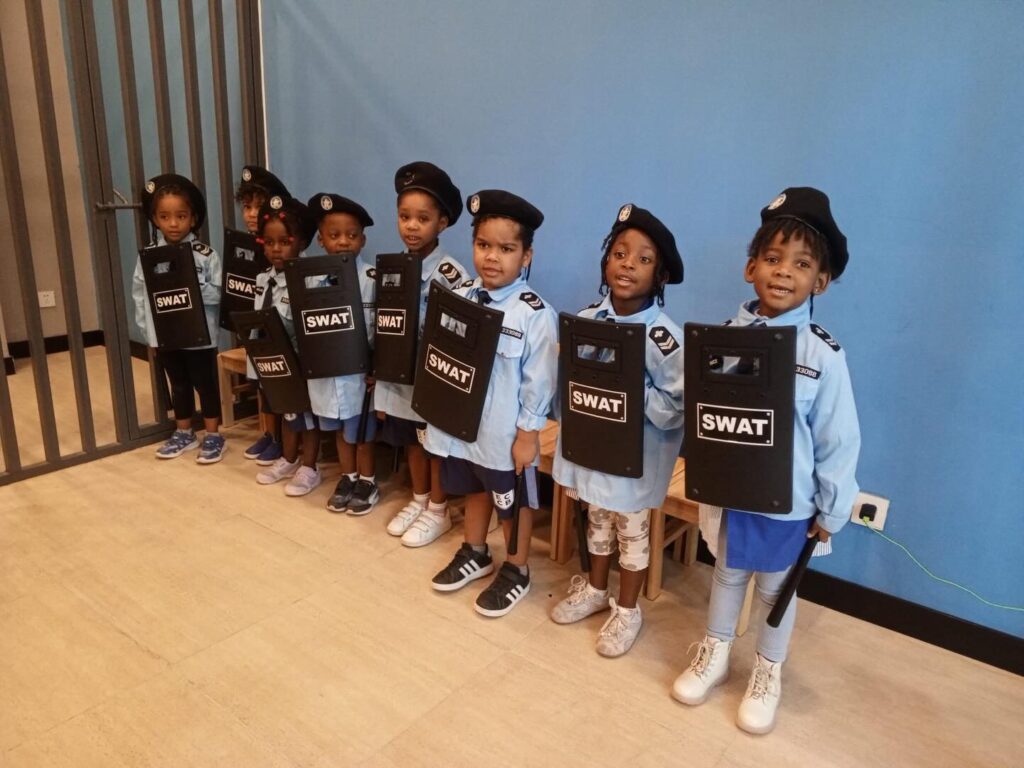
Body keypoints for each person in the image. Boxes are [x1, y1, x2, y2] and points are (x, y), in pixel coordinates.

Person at [671, 187, 860, 735]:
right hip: (733, 491)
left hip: (788, 501)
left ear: (820, 281)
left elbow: (838, 438)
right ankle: (715, 652)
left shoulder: (822, 355)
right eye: (773, 258)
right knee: (728, 574)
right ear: (751, 267)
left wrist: (833, 508)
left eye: (801, 264)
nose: (783, 272)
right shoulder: (721, 339)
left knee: (776, 589)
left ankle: (767, 671)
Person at [550, 204, 685, 656]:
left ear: (660, 276)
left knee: (632, 533)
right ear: (606, 261)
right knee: (597, 521)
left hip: (635, 460)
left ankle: (628, 609)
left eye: (643, 259)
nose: (628, 264)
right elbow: (569, 386)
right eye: (620, 254)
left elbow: (675, 406)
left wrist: (628, 388)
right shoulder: (588, 320)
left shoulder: (663, 338)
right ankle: (595, 589)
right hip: (595, 448)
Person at [425, 189, 557, 617]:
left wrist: (528, 435)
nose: (492, 257)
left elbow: (540, 382)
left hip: (504, 432)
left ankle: (517, 568)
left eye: (506, 248)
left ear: (526, 256)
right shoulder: (461, 295)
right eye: (483, 245)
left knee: (511, 502)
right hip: (464, 425)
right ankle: (475, 551)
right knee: (473, 488)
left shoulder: (533, 313)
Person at [377, 162, 470, 546]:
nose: (412, 226)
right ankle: (418, 498)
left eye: (423, 218)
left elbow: (460, 332)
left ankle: (438, 508)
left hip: (432, 376)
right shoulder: (392, 268)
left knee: (433, 444)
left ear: (442, 223)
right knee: (410, 440)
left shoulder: (451, 274)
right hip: (401, 374)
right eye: (405, 217)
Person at [132, 173, 224, 463]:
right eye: (165, 217)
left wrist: (191, 286)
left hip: (200, 336)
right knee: (179, 384)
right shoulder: (149, 257)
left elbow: (219, 293)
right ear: (155, 219)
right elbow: (141, 297)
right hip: (167, 335)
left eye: (181, 216)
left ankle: (213, 434)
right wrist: (150, 336)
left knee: (205, 384)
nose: (173, 224)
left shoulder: (206, 256)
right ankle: (184, 432)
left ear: (193, 219)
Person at [306, 193, 380, 515]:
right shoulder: (310, 281)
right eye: (334, 235)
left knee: (361, 432)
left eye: (351, 235)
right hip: (328, 373)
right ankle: (348, 476)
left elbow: (383, 328)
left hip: (359, 376)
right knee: (339, 429)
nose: (343, 242)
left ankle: (368, 480)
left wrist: (377, 367)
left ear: (363, 239)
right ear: (321, 240)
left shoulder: (372, 280)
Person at [249, 195, 324, 496]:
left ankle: (310, 466)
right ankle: (289, 458)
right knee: (285, 411)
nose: (275, 249)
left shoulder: (307, 279)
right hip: (273, 359)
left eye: (284, 242)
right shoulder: (262, 279)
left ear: (301, 243)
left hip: (301, 361)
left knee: (307, 416)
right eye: (269, 242)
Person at [234, 165, 290, 466]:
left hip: (282, 335)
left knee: (280, 387)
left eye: (259, 206)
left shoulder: (283, 249)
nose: (252, 214)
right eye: (247, 207)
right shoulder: (246, 248)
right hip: (257, 333)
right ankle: (269, 433)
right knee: (263, 385)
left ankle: (282, 438)